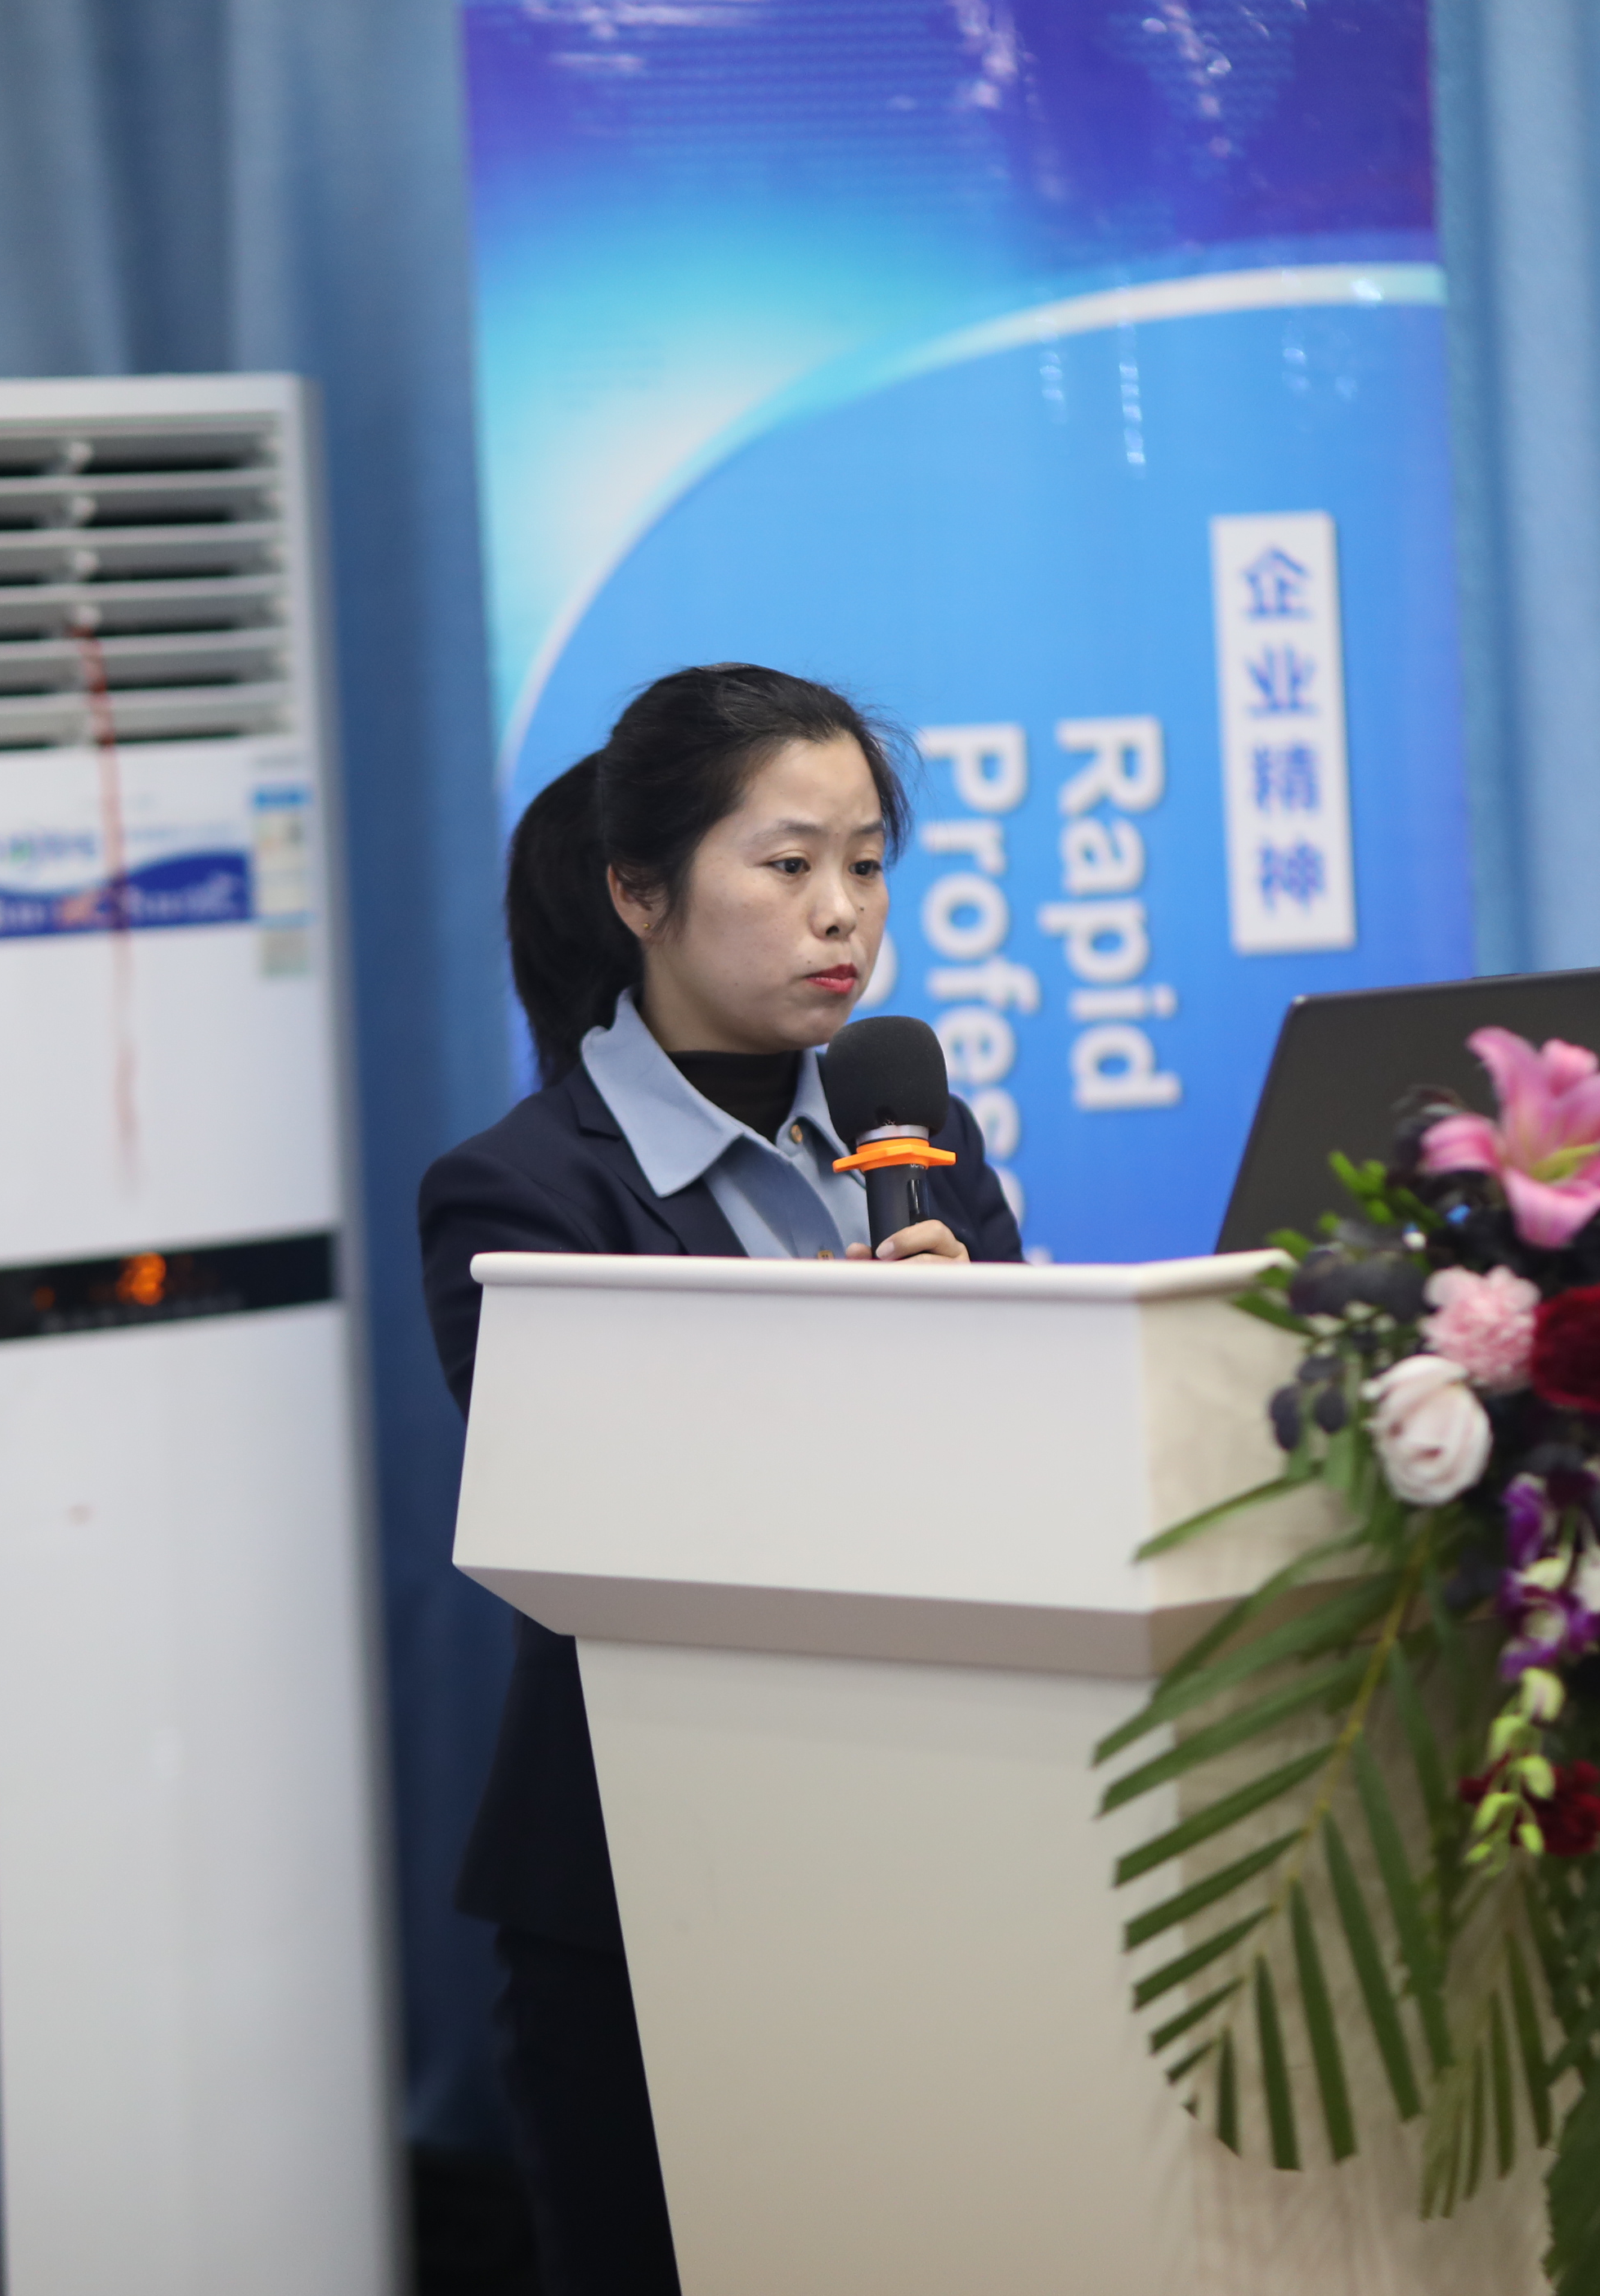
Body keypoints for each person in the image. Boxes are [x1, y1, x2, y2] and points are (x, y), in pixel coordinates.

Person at [420, 663, 1024, 2293]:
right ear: (640, 893)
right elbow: (580, 1521)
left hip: (936, 1847)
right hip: (649, 1886)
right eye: (790, 864)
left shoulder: (920, 1132)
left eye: (869, 865)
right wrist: (845, 1369)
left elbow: (1030, 1485)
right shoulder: (518, 1193)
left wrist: (994, 1355)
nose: (843, 914)